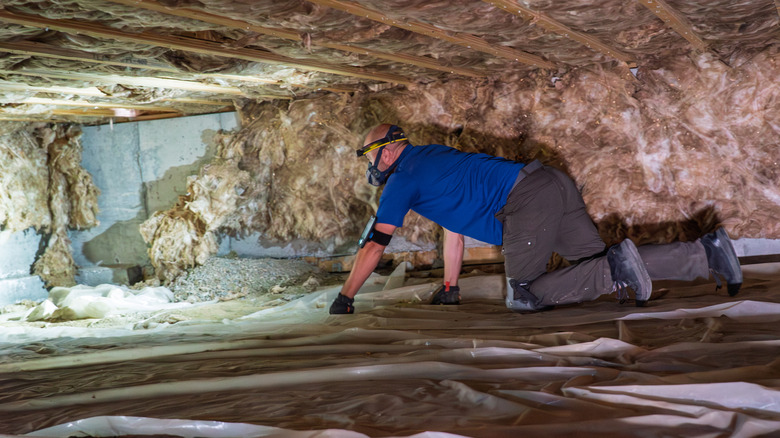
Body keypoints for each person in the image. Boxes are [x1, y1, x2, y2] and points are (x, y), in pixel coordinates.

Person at [329, 124, 743, 314]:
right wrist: (450, 287)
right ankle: (707, 254)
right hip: (551, 183)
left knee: (524, 294)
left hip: (527, 202)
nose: (370, 165)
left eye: (368, 156)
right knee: (597, 266)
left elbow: (374, 245)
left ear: (385, 152)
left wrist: (346, 296)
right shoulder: (432, 157)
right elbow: (453, 230)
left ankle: (617, 265)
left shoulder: (402, 179)